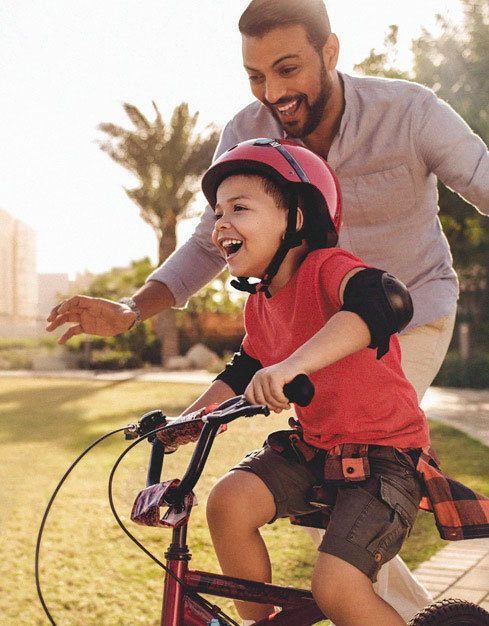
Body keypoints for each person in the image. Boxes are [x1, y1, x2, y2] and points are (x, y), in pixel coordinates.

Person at [46, 0, 489, 618]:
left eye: (287, 70)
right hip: (300, 320)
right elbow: (210, 244)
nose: (273, 92)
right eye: (256, 76)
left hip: (401, 315)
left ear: (330, 53)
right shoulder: (249, 136)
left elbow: (481, 178)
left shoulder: (409, 112)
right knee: (309, 508)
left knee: (352, 480)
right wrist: (130, 310)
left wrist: (289, 366)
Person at [180, 137, 425, 626]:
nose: (220, 223)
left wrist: (291, 366)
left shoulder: (325, 269)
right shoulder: (260, 302)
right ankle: (259, 621)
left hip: (384, 459)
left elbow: (385, 303)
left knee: (337, 587)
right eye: (216, 213)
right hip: (316, 450)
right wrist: (188, 421)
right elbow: (241, 370)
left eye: (239, 208)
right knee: (228, 502)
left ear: (295, 219)